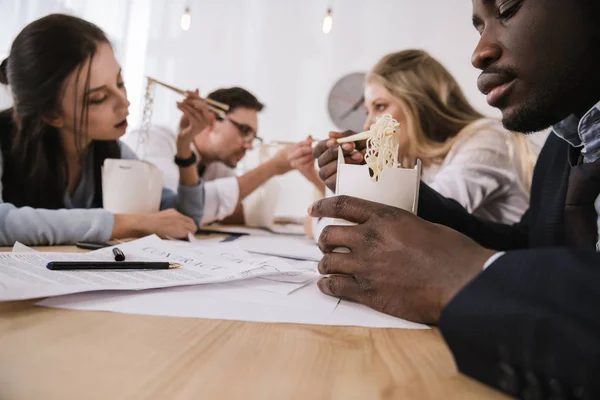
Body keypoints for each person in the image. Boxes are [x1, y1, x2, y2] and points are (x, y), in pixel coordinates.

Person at [311, 0, 600, 397]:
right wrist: (396, 191)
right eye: (478, 27)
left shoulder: (485, 141)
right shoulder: (563, 146)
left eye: (508, 8)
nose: (479, 52)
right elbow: (525, 249)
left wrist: (462, 275)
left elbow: (489, 263)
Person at [0, 14, 212, 246]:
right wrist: (125, 223)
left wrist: (184, 149)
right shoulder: (5, 139)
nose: (124, 102)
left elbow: (184, 221)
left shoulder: (112, 152)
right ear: (51, 114)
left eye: (120, 83)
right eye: (99, 98)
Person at [126, 87, 298, 226]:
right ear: (211, 120)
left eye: (253, 136)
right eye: (244, 131)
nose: (249, 145)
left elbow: (233, 207)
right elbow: (179, 209)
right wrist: (272, 167)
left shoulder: (219, 164)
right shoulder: (152, 139)